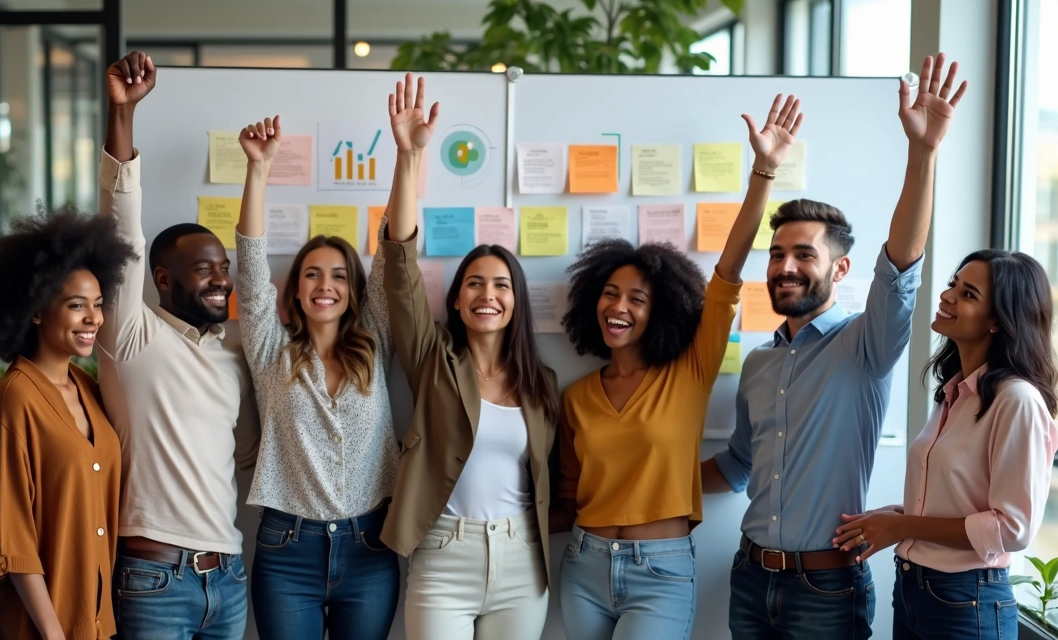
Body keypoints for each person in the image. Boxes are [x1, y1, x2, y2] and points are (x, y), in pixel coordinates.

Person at [701, 53, 967, 640]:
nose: (785, 266)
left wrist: (923, 153)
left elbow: (901, 266)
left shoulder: (866, 345)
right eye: (777, 254)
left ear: (840, 268)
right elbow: (738, 465)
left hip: (826, 587)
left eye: (804, 255)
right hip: (749, 576)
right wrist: (644, 478)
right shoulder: (759, 363)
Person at [555, 93, 803, 639]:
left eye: (637, 299)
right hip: (583, 564)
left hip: (660, 572)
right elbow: (568, 496)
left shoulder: (689, 371)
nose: (619, 307)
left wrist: (764, 171)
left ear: (661, 309)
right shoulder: (576, 397)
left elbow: (728, 275)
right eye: (610, 294)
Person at [379, 73, 559, 640]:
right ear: (455, 299)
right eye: (474, 283)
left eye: (502, 285)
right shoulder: (433, 358)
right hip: (442, 554)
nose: (488, 294)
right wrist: (409, 158)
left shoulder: (542, 383)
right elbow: (400, 267)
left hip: (521, 556)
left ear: (516, 301)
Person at [97, 52, 259, 639]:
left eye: (224, 267)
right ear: (162, 279)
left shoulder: (234, 353)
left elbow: (244, 454)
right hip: (153, 578)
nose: (222, 280)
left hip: (229, 579)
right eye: (204, 269)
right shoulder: (130, 334)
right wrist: (122, 113)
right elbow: (120, 224)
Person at [233, 115, 400, 639]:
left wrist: (407, 157)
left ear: (354, 290)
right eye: (312, 274)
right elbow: (251, 269)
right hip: (287, 551)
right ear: (296, 290)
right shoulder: (271, 351)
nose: (325, 285)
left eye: (338, 276)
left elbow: (394, 252)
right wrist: (258, 169)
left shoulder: (375, 343)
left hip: (370, 545)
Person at [834, 250, 1058, 640]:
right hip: (915, 589)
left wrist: (903, 525)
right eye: (954, 284)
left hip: (968, 599)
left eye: (968, 294)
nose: (947, 295)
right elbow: (963, 501)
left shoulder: (1016, 400)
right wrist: (900, 514)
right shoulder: (955, 392)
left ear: (998, 321)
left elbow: (1012, 529)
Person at [0, 207, 137, 640]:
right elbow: (14, 538)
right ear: (36, 311)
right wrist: (53, 633)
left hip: (98, 624)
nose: (93, 319)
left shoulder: (88, 387)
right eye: (76, 305)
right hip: (45, 628)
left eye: (97, 305)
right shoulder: (14, 400)